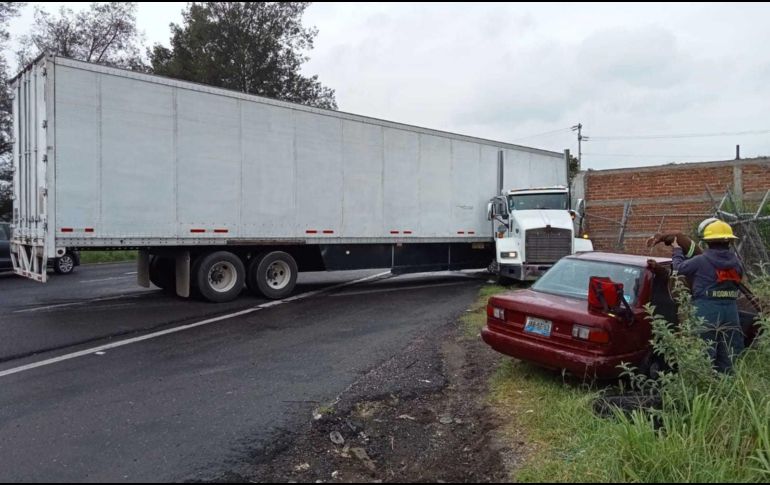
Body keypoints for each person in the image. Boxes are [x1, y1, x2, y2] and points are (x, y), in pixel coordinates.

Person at [671, 219, 744, 373]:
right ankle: (727, 385)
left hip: (706, 311)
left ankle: (706, 384)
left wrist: (677, 250)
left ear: (707, 242)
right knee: (729, 357)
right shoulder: (737, 263)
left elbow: (678, 269)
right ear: (730, 241)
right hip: (731, 313)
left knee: (704, 355)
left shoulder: (700, 261)